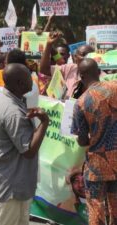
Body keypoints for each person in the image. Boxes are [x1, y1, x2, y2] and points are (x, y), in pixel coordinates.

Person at [0, 63, 49, 225]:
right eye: (28, 77)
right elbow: (28, 150)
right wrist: (44, 123)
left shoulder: (6, 98)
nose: (32, 80)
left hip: (12, 179)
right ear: (20, 83)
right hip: (9, 183)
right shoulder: (12, 111)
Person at [71, 58, 117, 225]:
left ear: (81, 76)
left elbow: (82, 140)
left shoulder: (81, 102)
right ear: (99, 72)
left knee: (96, 206)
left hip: (97, 164)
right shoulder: (115, 87)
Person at [40, 32, 95, 98]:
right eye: (83, 55)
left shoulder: (101, 76)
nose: (86, 58)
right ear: (75, 57)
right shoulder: (69, 68)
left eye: (89, 55)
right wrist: (49, 44)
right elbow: (44, 69)